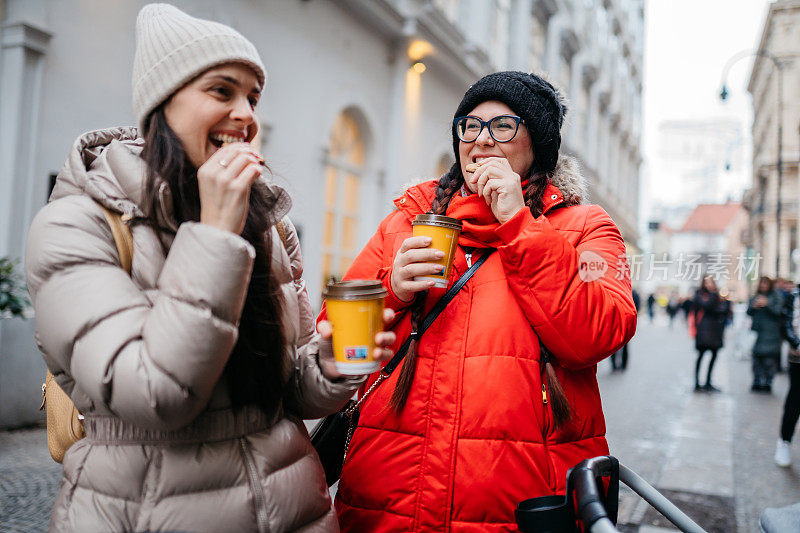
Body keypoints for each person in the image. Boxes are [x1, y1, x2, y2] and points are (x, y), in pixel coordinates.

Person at [24, 4, 395, 531]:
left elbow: (287, 392)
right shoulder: (75, 225)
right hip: (147, 511)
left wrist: (332, 366)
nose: (245, 113)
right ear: (162, 105)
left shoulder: (266, 226)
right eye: (222, 92)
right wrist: (216, 234)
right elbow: (157, 396)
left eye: (253, 98)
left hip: (292, 511)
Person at [325, 71, 638, 531]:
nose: (482, 140)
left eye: (504, 126)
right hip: (388, 500)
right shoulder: (408, 220)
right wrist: (391, 290)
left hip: (522, 505)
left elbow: (597, 332)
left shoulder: (586, 227)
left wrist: (517, 223)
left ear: (539, 145)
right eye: (470, 126)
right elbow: (335, 349)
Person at [691, 275, 731, 392]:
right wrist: (715, 296)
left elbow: (724, 311)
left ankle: (708, 382)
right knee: (701, 356)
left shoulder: (716, 296)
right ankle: (697, 383)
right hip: (703, 331)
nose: (709, 285)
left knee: (714, 356)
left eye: (710, 282)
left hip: (715, 331)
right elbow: (707, 306)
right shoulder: (700, 295)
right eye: (706, 282)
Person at [777, 281, 800, 466]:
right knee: (795, 401)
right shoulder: (794, 295)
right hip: (798, 358)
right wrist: (797, 344)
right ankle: (784, 441)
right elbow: (785, 324)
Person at [748, 276, 784, 393]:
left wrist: (767, 304)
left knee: (769, 361)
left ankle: (768, 382)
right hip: (758, 333)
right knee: (757, 360)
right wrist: (754, 306)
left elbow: (779, 312)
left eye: (765, 284)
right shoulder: (756, 296)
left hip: (772, 334)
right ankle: (757, 381)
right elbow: (749, 312)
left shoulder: (775, 296)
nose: (763, 286)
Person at [611, 288, 640, 371]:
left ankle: (615, 365)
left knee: (613, 344)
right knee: (623, 344)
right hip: (625, 322)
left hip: (617, 322)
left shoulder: (614, 291)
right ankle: (623, 365)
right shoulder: (630, 293)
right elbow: (636, 307)